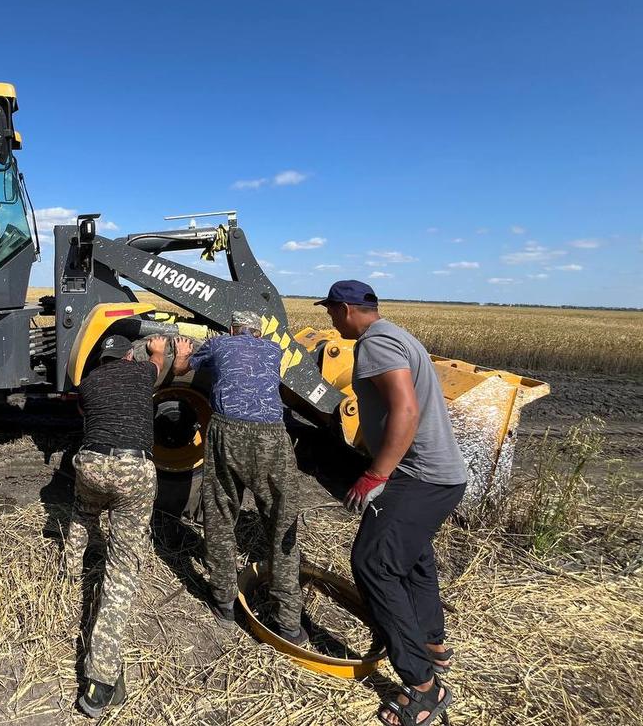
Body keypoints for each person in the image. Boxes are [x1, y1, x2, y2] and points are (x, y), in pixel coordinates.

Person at [317, 280, 467, 726]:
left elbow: (405, 411)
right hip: (440, 477)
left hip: (417, 477)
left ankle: (424, 687)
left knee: (373, 564)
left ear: (346, 309)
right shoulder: (397, 335)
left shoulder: (376, 345)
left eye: (330, 312)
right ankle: (434, 645)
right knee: (414, 558)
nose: (329, 319)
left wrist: (375, 475)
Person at [66, 332, 194, 718]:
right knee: (121, 568)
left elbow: (86, 415)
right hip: (132, 468)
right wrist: (164, 352)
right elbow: (163, 368)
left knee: (82, 512)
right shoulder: (140, 373)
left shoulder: (88, 383)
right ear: (126, 357)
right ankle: (101, 681)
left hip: (90, 463)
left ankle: (69, 575)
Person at [171, 310, 306, 645]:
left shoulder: (218, 344)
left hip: (227, 432)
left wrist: (184, 354)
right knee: (281, 523)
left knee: (220, 513)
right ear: (258, 333)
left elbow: (181, 369)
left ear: (232, 329)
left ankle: (223, 601)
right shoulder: (274, 349)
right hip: (273, 436)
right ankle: (288, 621)